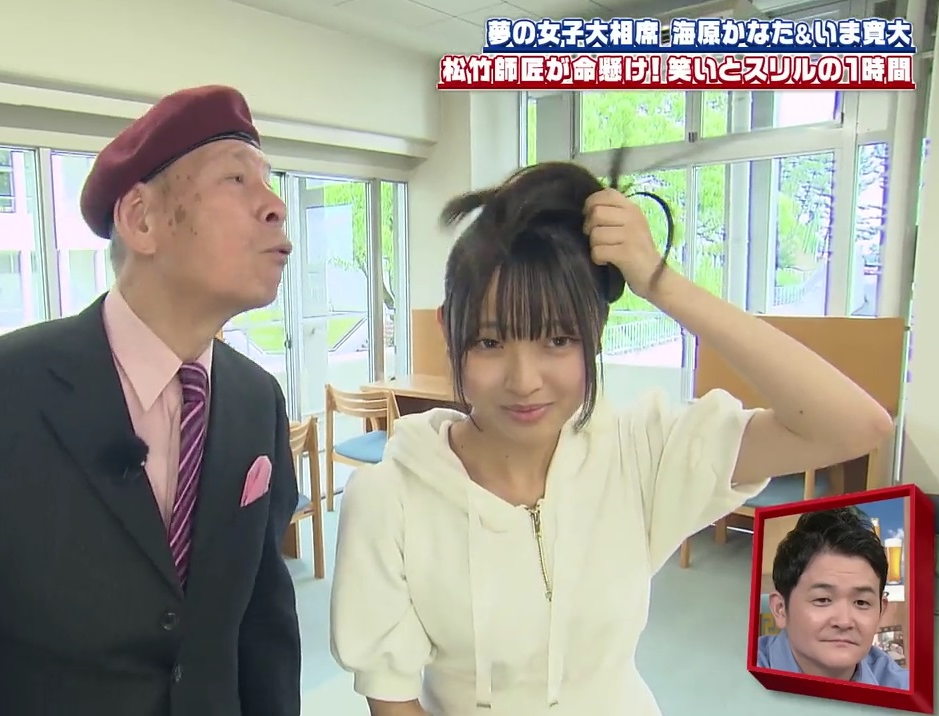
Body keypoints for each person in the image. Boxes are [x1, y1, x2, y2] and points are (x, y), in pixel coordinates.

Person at [329, 161, 894, 715]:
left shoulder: (640, 452)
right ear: (447, 330)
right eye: (489, 342)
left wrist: (659, 281)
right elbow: (393, 698)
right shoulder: (390, 498)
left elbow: (853, 425)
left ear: (594, 334)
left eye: (557, 339)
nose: (524, 380)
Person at [0, 85, 302, 716]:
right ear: (142, 220)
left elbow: (263, 629)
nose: (276, 206)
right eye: (237, 179)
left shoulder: (256, 401)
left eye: (270, 183)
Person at [758, 507, 909, 688]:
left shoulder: (901, 687)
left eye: (861, 602)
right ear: (780, 609)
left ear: (880, 613)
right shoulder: (738, 676)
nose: (844, 622)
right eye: (823, 600)